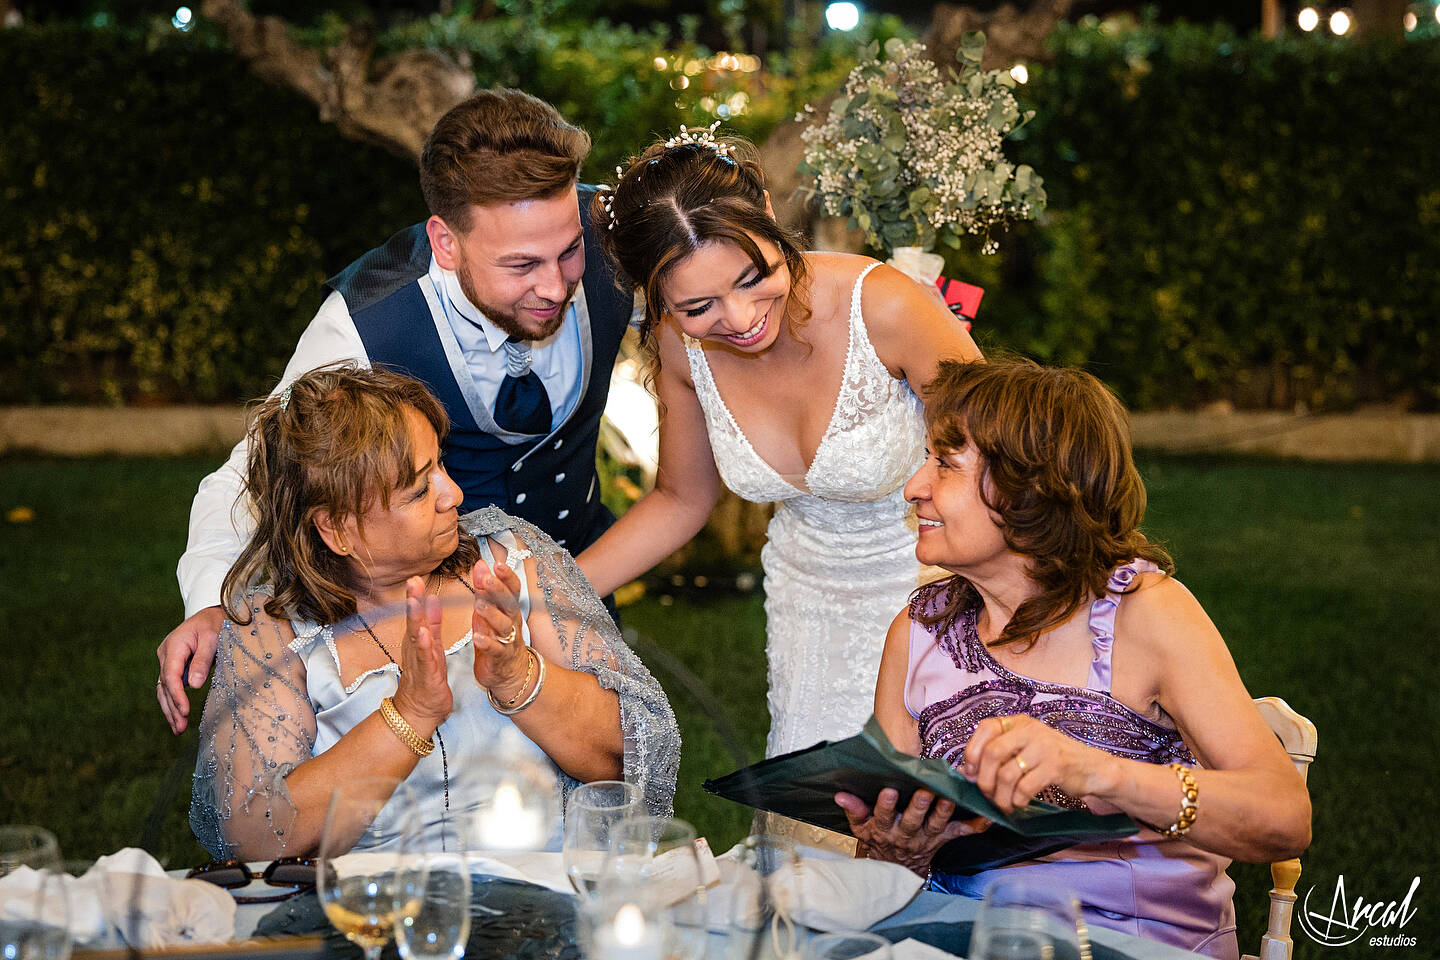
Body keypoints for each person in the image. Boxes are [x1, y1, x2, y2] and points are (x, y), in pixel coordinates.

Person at [158, 89, 635, 734]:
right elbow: (254, 476)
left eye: (568, 251)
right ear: (445, 241)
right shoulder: (366, 323)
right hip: (444, 632)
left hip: (588, 594)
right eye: (521, 265)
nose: (554, 284)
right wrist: (212, 600)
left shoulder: (614, 236)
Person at [833, 359, 1311, 959]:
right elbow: (885, 881)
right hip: (958, 937)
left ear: (1029, 491)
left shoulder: (1144, 616)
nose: (914, 487)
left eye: (946, 464)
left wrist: (1095, 771)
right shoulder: (919, 631)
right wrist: (896, 852)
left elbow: (1284, 819)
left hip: (1133, 942)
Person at [575, 127, 983, 765]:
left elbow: (1003, 458)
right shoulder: (679, 347)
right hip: (806, 606)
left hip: (943, 588)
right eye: (699, 305)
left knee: (932, 801)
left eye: (752, 277)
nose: (739, 320)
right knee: (815, 801)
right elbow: (681, 499)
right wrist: (551, 593)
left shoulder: (885, 306)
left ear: (767, 210)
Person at [188, 365, 678, 858]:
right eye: (420, 490)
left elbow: (630, 759)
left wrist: (520, 677)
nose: (455, 495)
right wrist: (410, 714)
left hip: (545, 893)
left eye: (440, 464)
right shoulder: (271, 629)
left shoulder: (511, 559)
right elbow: (253, 836)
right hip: (372, 902)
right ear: (336, 528)